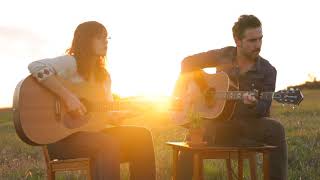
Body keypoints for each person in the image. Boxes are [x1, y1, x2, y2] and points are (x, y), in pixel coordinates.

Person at [28, 21, 156, 180]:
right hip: (62, 140)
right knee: (107, 143)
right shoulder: (70, 63)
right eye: (100, 37)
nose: (106, 42)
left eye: (106, 38)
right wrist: (68, 97)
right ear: (86, 40)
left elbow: (108, 114)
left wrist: (125, 114)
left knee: (141, 136)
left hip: (95, 136)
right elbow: (36, 66)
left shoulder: (104, 76)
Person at [174, 15, 287, 180]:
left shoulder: (268, 71)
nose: (258, 45)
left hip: (247, 126)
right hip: (216, 123)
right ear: (237, 40)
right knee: (194, 135)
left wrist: (251, 104)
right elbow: (187, 63)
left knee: (276, 129)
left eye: (260, 39)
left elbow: (263, 107)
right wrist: (203, 88)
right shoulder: (223, 54)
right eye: (252, 41)